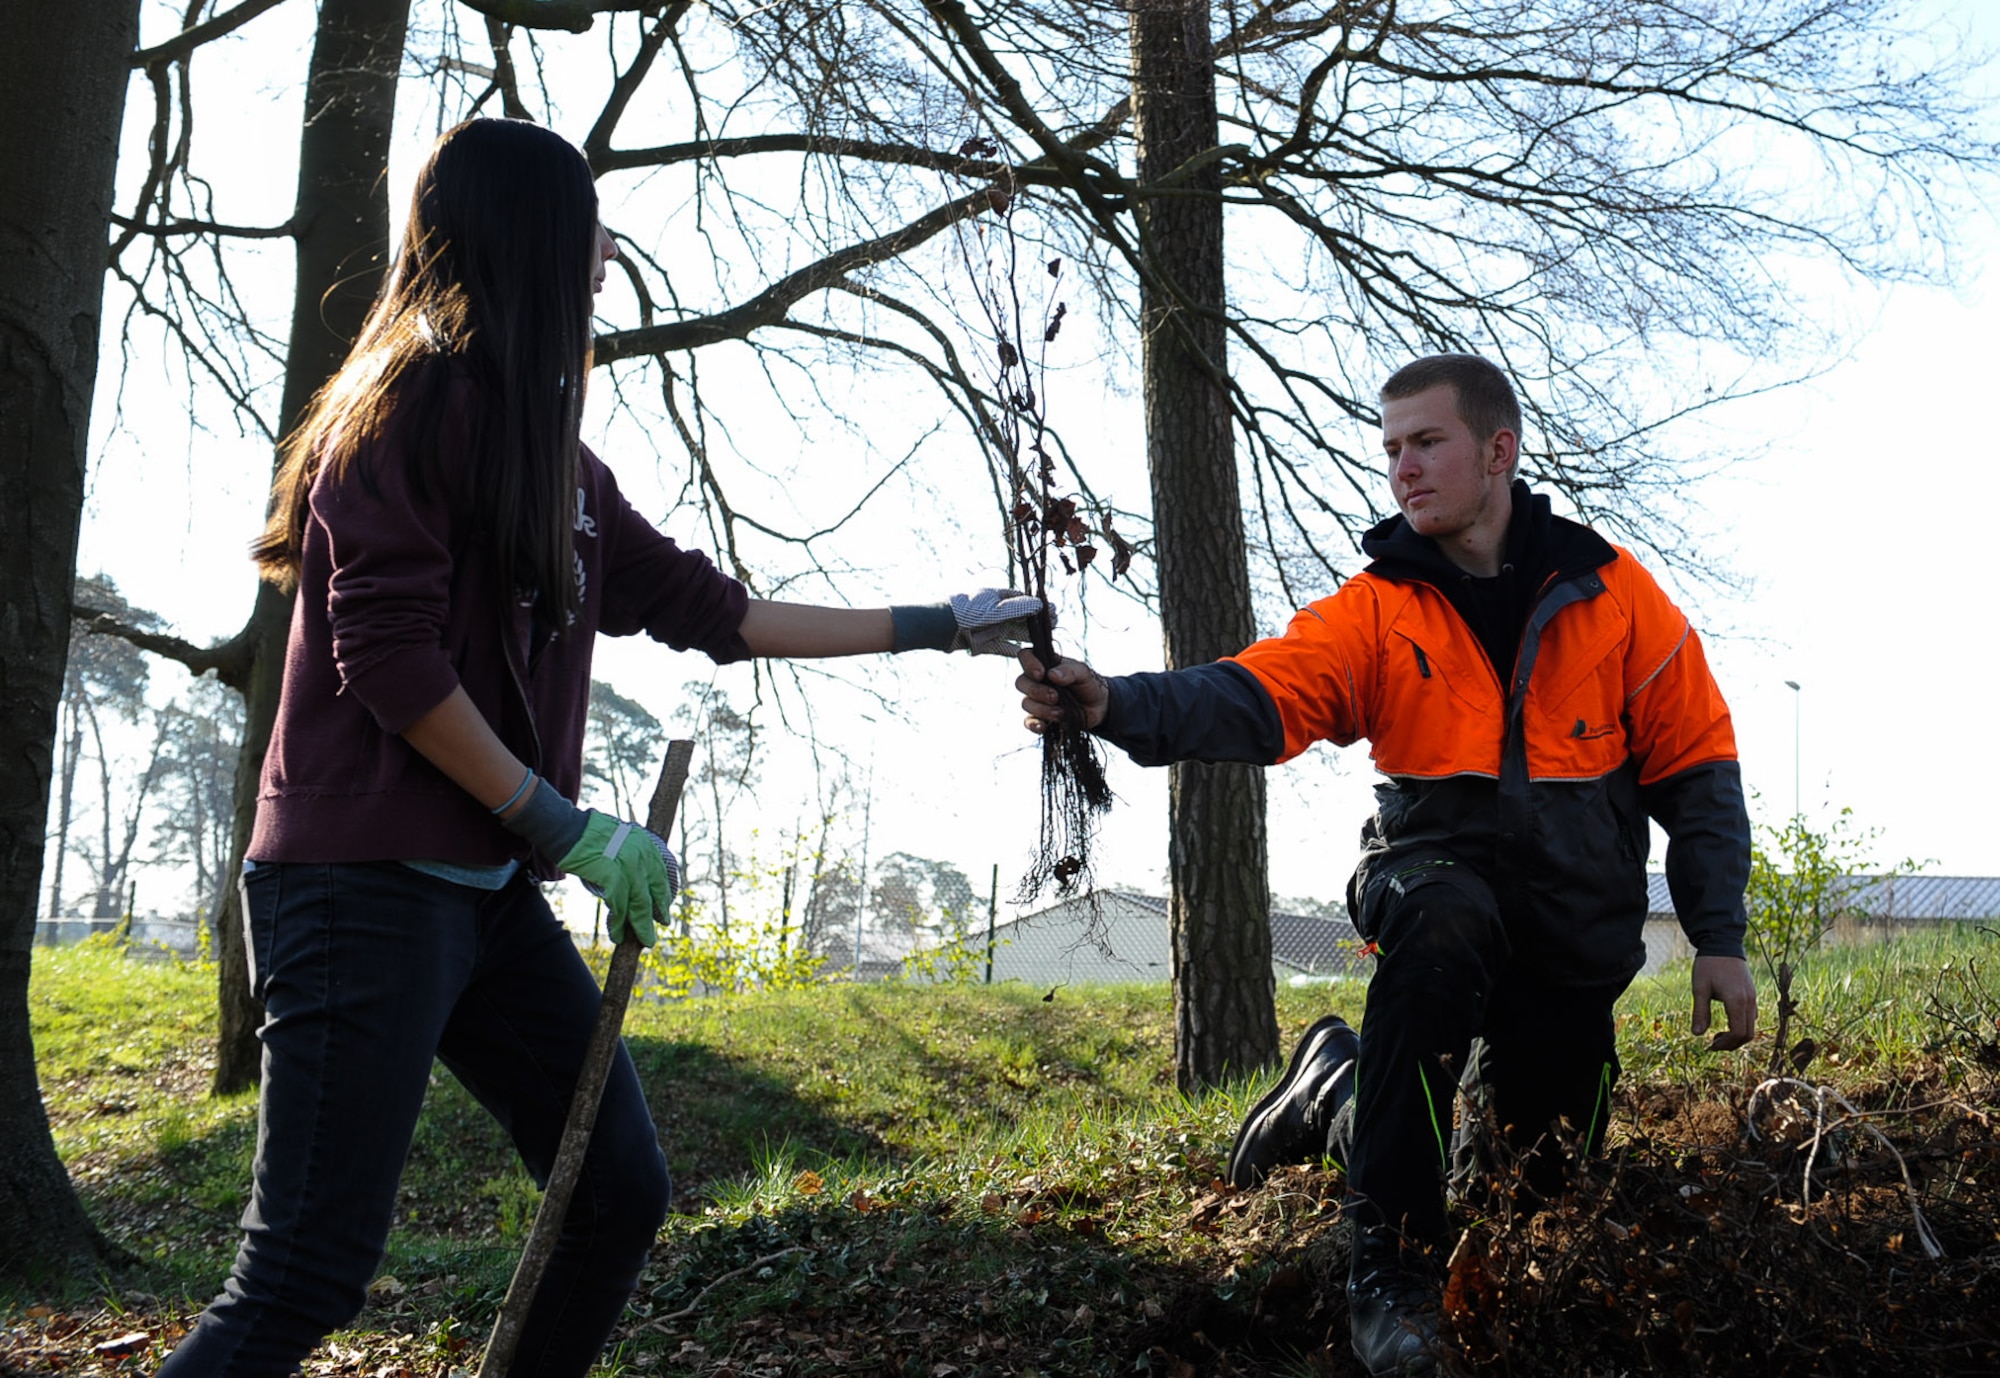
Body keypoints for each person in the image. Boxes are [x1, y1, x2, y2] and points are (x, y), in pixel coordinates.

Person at [160, 117, 1037, 1378]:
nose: (609, 258)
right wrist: (560, 824)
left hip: (485, 897)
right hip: (359, 886)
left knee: (616, 1192)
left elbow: (714, 612)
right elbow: (391, 664)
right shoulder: (398, 411)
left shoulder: (560, 466)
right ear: (531, 238)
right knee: (302, 1272)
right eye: (589, 229)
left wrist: (938, 626)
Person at [1016, 354, 1757, 1376]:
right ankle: (1389, 1271)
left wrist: (1716, 936)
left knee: (1530, 1182)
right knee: (1444, 919)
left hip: (1569, 935)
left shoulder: (1617, 596)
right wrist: (1114, 704)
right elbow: (1252, 693)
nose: (1402, 469)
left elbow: (1698, 768)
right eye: (1390, 449)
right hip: (1429, 880)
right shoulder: (1375, 608)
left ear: (1497, 451)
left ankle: (1331, 1088)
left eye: (1425, 443)